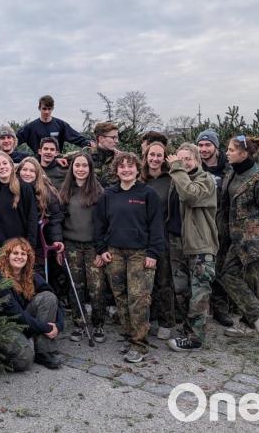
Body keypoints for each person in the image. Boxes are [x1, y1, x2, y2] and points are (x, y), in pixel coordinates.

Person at [95, 152, 164, 364]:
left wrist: (153, 252)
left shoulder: (147, 194)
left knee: (138, 298)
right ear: (116, 170)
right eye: (122, 166)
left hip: (139, 253)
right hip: (114, 252)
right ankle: (128, 334)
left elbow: (156, 225)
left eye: (130, 166)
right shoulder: (108, 195)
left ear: (137, 169)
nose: (126, 169)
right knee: (120, 296)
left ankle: (139, 344)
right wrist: (101, 248)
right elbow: (100, 224)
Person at [217, 135, 259, 346]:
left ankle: (249, 326)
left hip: (255, 241)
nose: (226, 152)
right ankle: (258, 318)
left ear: (244, 154)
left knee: (255, 284)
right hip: (235, 239)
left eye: (230, 149)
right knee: (227, 274)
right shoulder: (231, 173)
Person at [164, 143, 220, 352]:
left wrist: (177, 167)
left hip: (200, 245)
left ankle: (196, 339)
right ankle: (189, 330)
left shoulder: (205, 180)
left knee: (199, 292)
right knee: (182, 290)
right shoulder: (177, 178)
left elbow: (190, 195)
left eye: (188, 159)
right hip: (178, 243)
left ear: (197, 159)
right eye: (179, 158)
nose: (183, 162)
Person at [58, 152, 108, 343]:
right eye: (77, 166)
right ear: (72, 168)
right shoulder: (65, 191)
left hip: (93, 246)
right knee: (75, 286)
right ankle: (79, 324)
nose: (80, 169)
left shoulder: (99, 191)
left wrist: (102, 249)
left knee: (96, 286)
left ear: (90, 168)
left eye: (84, 166)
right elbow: (60, 220)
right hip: (71, 244)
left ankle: (98, 324)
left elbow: (105, 221)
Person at [0, 238, 64, 370]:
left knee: (48, 297)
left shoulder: (29, 275)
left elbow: (53, 297)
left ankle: (43, 351)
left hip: (24, 320)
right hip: (4, 325)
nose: (19, 257)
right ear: (6, 255)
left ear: (28, 257)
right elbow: (17, 315)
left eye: (23, 254)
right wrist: (47, 328)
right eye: (15, 253)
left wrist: (59, 326)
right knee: (24, 361)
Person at [196, 128, 233, 327]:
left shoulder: (229, 168)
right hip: (200, 226)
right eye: (200, 145)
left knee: (220, 269)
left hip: (222, 226)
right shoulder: (193, 166)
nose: (203, 148)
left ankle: (220, 308)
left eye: (207, 144)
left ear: (216, 147)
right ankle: (199, 309)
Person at [140, 141, 176, 341]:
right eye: (151, 155)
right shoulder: (139, 179)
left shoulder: (170, 180)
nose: (154, 159)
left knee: (163, 280)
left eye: (159, 155)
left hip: (161, 236)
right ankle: (148, 318)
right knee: (144, 281)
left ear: (164, 158)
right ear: (145, 157)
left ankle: (166, 321)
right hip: (140, 237)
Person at [0, 152, 37, 253]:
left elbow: (32, 218)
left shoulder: (24, 188)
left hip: (18, 248)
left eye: (5, 163)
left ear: (11, 166)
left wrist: (30, 246)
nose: (2, 167)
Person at [16, 157, 65, 277]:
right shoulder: (13, 187)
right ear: (18, 171)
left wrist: (56, 239)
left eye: (32, 171)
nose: (27, 173)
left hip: (40, 238)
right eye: (25, 169)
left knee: (37, 272)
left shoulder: (46, 190)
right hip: (18, 237)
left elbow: (55, 217)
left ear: (37, 174)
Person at [17, 94, 93, 154]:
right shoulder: (31, 127)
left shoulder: (60, 125)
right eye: (44, 109)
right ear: (39, 108)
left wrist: (89, 143)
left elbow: (76, 138)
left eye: (49, 109)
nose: (46, 112)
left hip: (56, 162)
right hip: (38, 163)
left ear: (53, 108)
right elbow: (15, 140)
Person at [85, 122, 120, 188]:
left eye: (117, 138)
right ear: (101, 139)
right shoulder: (86, 155)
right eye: (113, 138)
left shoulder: (119, 157)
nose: (117, 141)